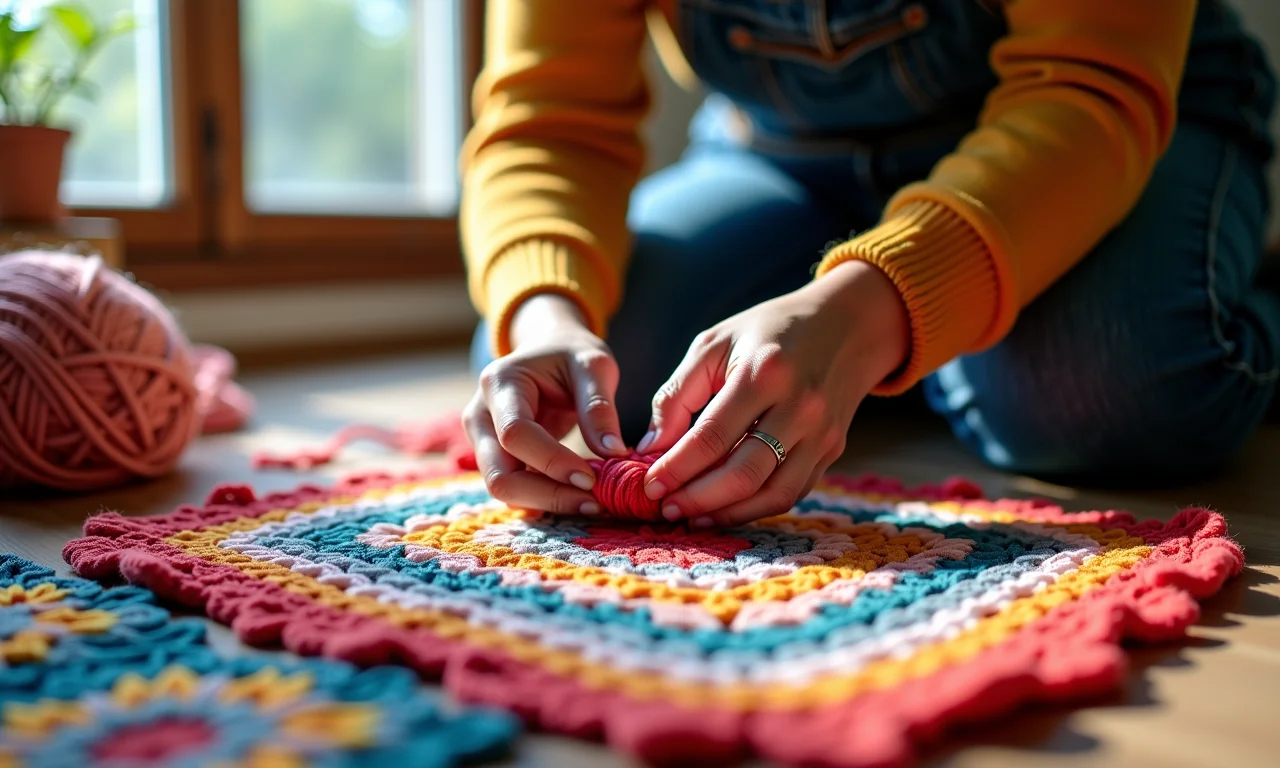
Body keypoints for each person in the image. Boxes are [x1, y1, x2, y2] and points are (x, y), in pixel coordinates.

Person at [459, 0, 1279, 527]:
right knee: (576, 375)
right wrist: (545, 315)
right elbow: (548, 120)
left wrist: (868, 310)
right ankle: (928, 362)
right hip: (782, 157)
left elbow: (1088, 86)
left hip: (1098, 122)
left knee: (1098, 395)